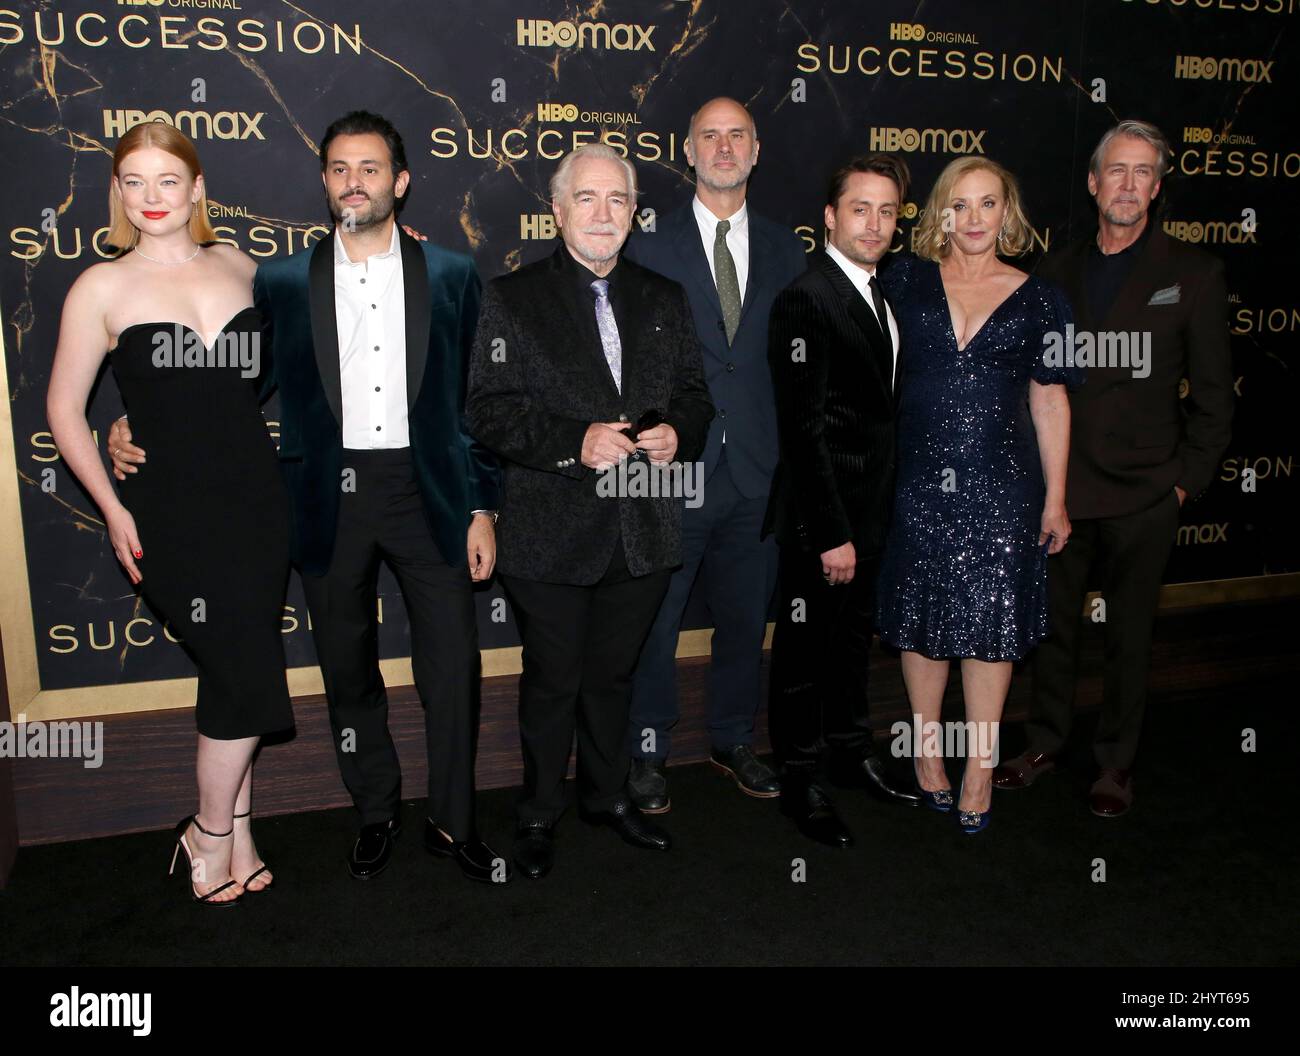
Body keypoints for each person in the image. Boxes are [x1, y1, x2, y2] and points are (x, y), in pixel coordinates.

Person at [108, 111, 506, 883]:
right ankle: (375, 809)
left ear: (400, 180)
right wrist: (128, 421)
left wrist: (484, 506)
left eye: (369, 168)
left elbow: (476, 402)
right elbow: (224, 387)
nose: (353, 181)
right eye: (338, 169)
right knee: (345, 667)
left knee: (453, 666)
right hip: (326, 493)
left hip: (432, 492)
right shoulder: (282, 281)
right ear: (324, 182)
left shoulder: (453, 274)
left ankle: (454, 824)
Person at [48, 122, 291, 905]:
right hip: (169, 512)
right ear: (117, 193)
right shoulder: (101, 287)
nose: (151, 198)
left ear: (196, 189)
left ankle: (237, 834)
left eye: (166, 180)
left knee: (241, 666)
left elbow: (318, 336)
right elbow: (61, 410)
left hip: (255, 499)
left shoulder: (241, 265)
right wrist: (114, 507)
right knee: (237, 665)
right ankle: (211, 832)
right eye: (133, 181)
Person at [465, 144, 714, 880]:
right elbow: (487, 409)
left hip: (643, 525)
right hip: (549, 530)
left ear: (635, 212)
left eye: (618, 201)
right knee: (554, 681)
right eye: (587, 198)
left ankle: (606, 799)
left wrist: (681, 432)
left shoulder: (663, 296)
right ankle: (539, 812)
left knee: (614, 678)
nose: (603, 214)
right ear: (558, 209)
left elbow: (697, 396)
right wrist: (574, 440)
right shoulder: (512, 299)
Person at [994, 120, 1234, 816]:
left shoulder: (1194, 273)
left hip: (1146, 492)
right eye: (1116, 172)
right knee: (1056, 626)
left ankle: (1116, 764)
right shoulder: (1055, 269)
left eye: (1142, 174)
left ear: (1156, 189)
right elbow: (1031, 381)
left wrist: (1183, 482)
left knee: (1131, 635)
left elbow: (1216, 400)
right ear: (1094, 183)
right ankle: (1043, 742)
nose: (1127, 185)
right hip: (1063, 488)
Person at [875, 156, 1082, 835]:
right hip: (919, 483)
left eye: (986, 204)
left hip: (1004, 490)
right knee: (923, 620)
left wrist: (1055, 499)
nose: (972, 219)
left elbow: (1050, 401)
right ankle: (928, 755)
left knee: (990, 632)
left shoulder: (1043, 299)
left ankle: (981, 768)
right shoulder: (904, 281)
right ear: (940, 212)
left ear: (1006, 212)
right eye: (958, 205)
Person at [621, 97, 807, 812]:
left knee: (743, 620)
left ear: (756, 151)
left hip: (758, 471)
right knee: (655, 621)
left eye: (737, 136)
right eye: (710, 136)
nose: (724, 147)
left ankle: (733, 738)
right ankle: (647, 751)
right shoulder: (646, 247)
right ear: (687, 150)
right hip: (675, 472)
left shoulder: (789, 250)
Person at [764, 154, 922, 847]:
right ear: (830, 216)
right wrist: (831, 532)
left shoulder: (878, 292)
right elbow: (803, 429)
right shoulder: (808, 298)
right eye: (861, 208)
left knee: (853, 645)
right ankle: (800, 778)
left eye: (888, 212)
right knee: (803, 654)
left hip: (872, 510)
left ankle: (850, 752)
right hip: (821, 519)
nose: (875, 224)